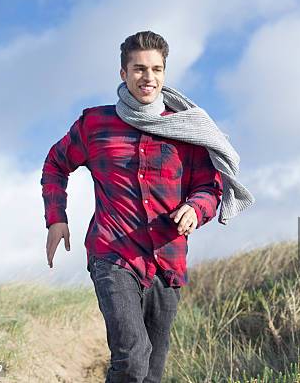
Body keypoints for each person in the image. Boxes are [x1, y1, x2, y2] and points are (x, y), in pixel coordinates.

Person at [40, 30, 253, 382]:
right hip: (113, 253)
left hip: (167, 262)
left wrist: (195, 208)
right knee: (132, 357)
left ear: (165, 73)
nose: (148, 77)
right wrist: (55, 218)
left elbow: (208, 188)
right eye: (138, 69)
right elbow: (55, 164)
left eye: (156, 69)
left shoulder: (186, 129)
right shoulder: (95, 124)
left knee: (152, 370)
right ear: (123, 73)